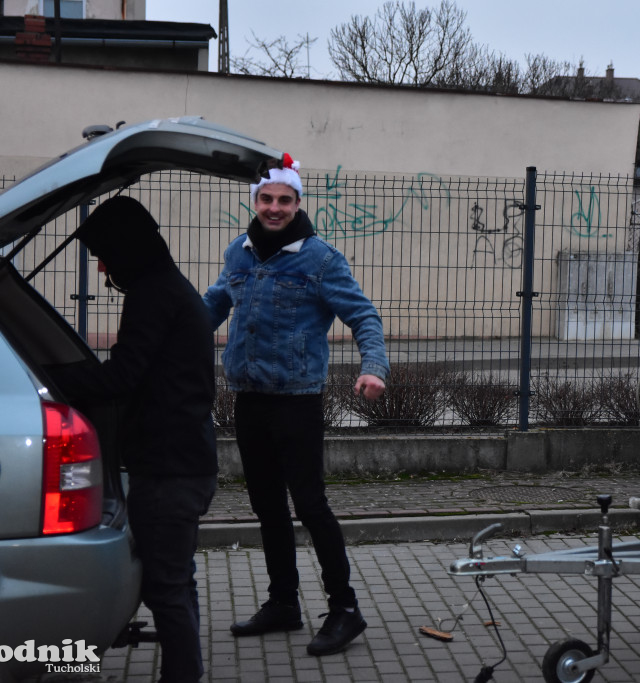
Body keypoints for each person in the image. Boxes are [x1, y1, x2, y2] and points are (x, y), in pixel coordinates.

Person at [203, 154, 389, 656]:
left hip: (297, 401)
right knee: (266, 505)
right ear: (255, 202)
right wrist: (165, 333)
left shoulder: (320, 259)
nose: (275, 208)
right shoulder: (238, 254)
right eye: (266, 199)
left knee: (310, 505)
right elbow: (213, 305)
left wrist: (374, 366)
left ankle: (345, 609)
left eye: (284, 200)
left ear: (297, 203)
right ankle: (284, 603)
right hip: (249, 400)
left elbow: (364, 317)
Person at [51, 195, 218, 683]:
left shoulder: (154, 293)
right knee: (176, 582)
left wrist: (52, 381)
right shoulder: (165, 287)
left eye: (104, 254)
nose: (102, 267)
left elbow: (122, 376)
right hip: (184, 461)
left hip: (170, 470)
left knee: (166, 587)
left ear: (127, 248)